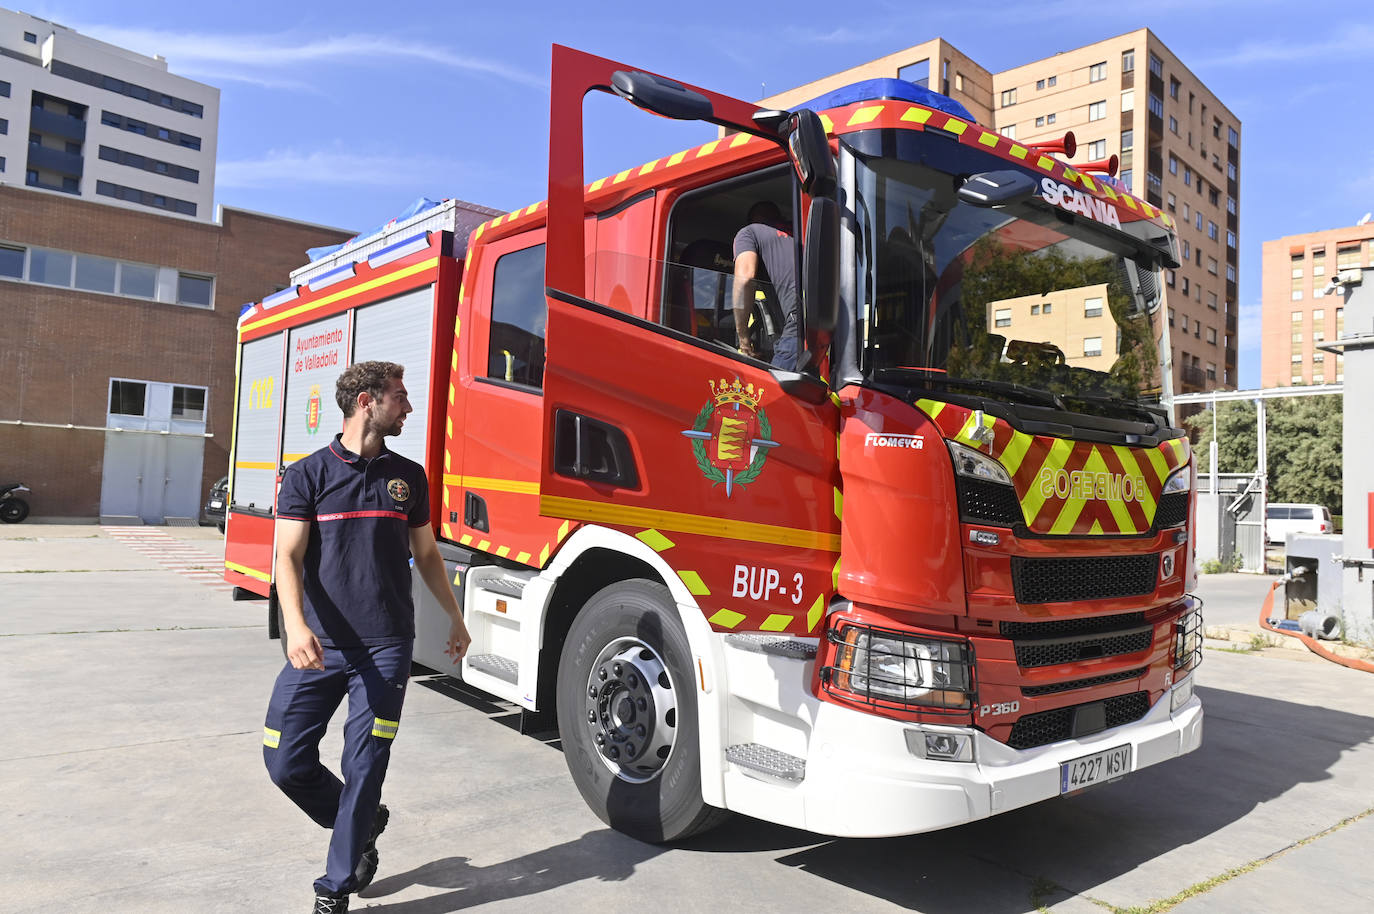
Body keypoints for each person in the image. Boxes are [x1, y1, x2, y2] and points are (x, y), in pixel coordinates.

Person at [262, 360, 471, 914]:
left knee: (365, 765)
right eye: (399, 397)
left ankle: (334, 885)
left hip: (385, 648)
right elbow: (286, 555)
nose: (408, 407)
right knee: (283, 759)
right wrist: (296, 626)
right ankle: (358, 821)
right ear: (365, 402)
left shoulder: (410, 477)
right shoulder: (307, 475)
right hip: (321, 645)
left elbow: (425, 553)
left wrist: (455, 617)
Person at [732, 200, 801, 370]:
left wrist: (743, 339)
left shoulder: (748, 233)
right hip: (827, 328)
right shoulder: (802, 234)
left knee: (773, 394)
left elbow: (745, 279)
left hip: (797, 324)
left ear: (754, 220)